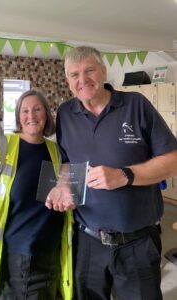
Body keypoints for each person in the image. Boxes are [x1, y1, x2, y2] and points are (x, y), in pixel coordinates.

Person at [45, 46, 177, 300]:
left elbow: (173, 161)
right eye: (74, 75)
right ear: (68, 81)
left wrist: (125, 175)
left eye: (89, 70)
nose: (82, 80)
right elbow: (67, 164)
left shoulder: (136, 105)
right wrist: (63, 186)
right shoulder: (65, 113)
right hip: (87, 242)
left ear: (104, 72)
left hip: (137, 243)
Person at [0, 90, 73, 299]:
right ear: (18, 117)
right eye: (25, 111)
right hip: (19, 256)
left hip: (53, 253)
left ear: (46, 114)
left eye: (37, 109)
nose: (31, 116)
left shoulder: (56, 151)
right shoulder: (2, 147)